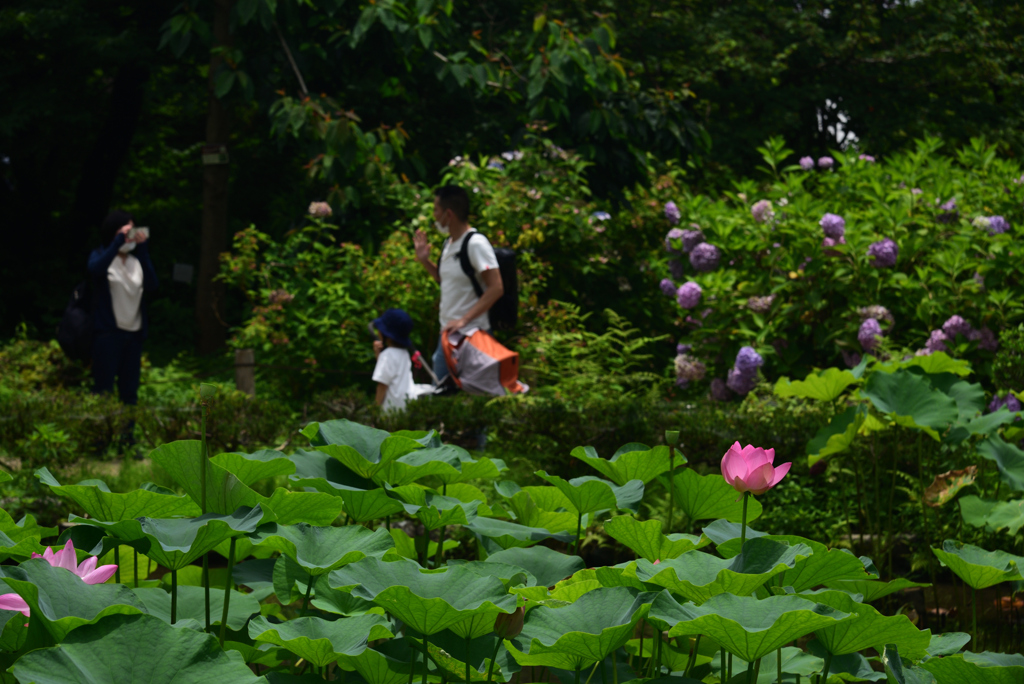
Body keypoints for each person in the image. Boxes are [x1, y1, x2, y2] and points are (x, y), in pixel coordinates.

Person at [413, 185, 504, 382]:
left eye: (436, 210)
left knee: (474, 398)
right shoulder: (449, 244)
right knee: (442, 398)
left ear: (449, 214)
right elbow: (444, 279)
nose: (434, 216)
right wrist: (424, 260)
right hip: (448, 335)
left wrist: (464, 320)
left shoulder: (476, 243)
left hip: (473, 335)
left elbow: (496, 287)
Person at [87, 209, 158, 407]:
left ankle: (127, 437)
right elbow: (95, 270)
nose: (129, 236)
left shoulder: (137, 262)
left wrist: (143, 250)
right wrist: (116, 243)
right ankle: (100, 436)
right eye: (124, 231)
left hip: (133, 336)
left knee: (129, 392)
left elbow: (152, 285)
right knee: (103, 390)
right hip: (108, 334)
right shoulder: (101, 255)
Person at [371, 308, 430, 412]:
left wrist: (374, 411)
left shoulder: (387, 355)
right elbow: (387, 373)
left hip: (390, 409)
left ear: (387, 336)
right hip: (404, 407)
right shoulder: (404, 353)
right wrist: (378, 354)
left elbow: (382, 385)